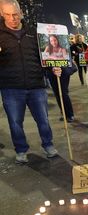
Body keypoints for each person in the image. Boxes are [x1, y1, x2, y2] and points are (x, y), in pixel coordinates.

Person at [0, 0, 58, 164]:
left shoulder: (34, 33)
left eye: (15, 14)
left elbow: (45, 57)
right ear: (2, 15)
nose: (13, 18)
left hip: (36, 86)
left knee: (43, 120)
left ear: (21, 13)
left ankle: (48, 145)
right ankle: (21, 150)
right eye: (8, 15)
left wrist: (54, 67)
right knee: (15, 123)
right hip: (11, 88)